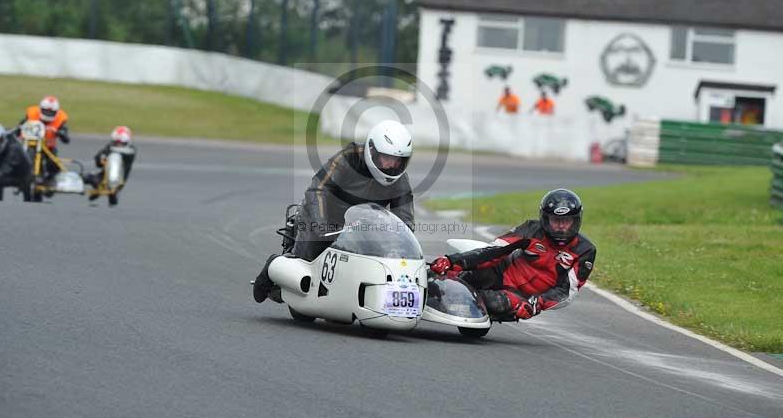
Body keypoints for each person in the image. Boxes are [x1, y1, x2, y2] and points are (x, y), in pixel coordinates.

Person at [253, 119, 415, 303]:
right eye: (387, 158)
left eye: (397, 160)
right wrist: (321, 226)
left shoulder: (400, 180)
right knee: (309, 254)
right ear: (372, 151)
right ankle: (275, 265)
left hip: (362, 227)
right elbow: (318, 189)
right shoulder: (348, 158)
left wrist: (400, 244)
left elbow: (405, 221)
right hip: (326, 216)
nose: (392, 165)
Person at [429, 188, 596, 321]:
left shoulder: (585, 251)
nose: (561, 227)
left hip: (522, 297)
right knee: (456, 275)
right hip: (499, 273)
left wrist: (536, 304)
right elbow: (495, 250)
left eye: (566, 221)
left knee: (494, 303)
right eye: (556, 220)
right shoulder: (532, 229)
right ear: (545, 219)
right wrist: (453, 261)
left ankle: (459, 303)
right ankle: (428, 286)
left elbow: (566, 291)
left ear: (576, 221)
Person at [20, 96, 70, 182]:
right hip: (29, 144)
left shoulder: (61, 118)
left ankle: (51, 178)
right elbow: (20, 126)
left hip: (48, 148)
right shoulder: (32, 113)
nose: (48, 114)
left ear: (56, 112)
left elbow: (66, 138)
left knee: (53, 164)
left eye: (51, 112)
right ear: (40, 109)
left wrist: (60, 133)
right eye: (46, 111)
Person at [84, 126, 137, 205]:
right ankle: (98, 189)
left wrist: (109, 152)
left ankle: (112, 192)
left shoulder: (131, 150)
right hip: (103, 176)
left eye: (121, 142)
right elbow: (98, 162)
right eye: (117, 142)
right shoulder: (109, 147)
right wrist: (101, 157)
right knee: (87, 177)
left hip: (119, 180)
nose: (118, 144)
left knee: (115, 157)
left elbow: (125, 153)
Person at [0, 115, 32, 199]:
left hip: (19, 176)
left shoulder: (13, 148)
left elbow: (4, 170)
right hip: (2, 171)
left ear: (3, 138)